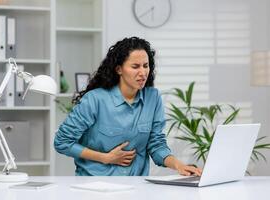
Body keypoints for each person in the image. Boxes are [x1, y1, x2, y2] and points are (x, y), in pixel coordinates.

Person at [54, 36, 202, 176]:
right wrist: (105, 158)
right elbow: (62, 142)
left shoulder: (153, 98)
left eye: (146, 66)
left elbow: (156, 145)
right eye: (135, 66)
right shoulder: (95, 99)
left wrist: (179, 165)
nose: (143, 72)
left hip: (137, 186)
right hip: (95, 184)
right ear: (119, 69)